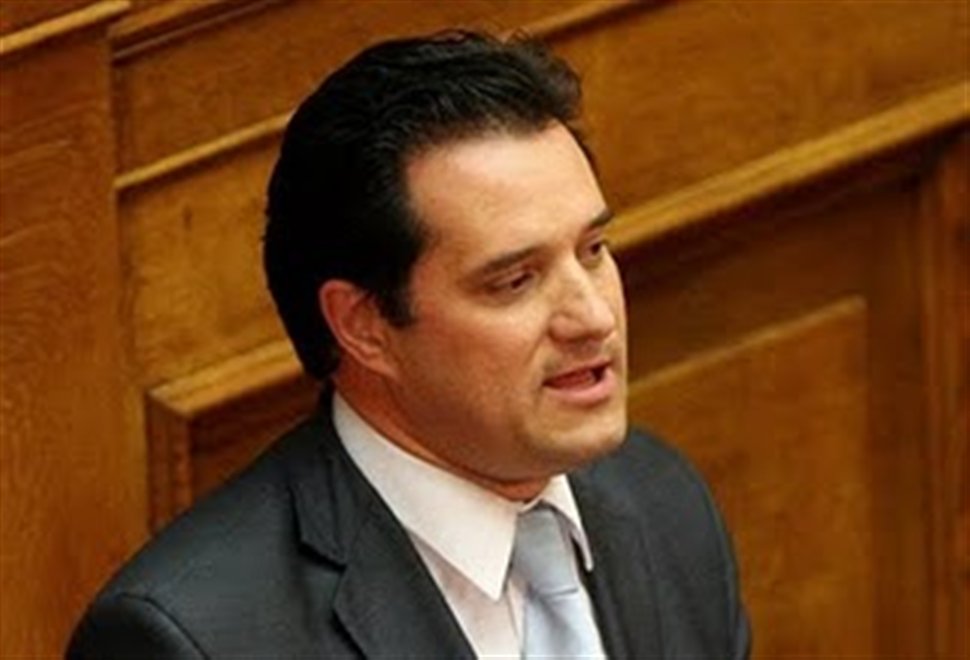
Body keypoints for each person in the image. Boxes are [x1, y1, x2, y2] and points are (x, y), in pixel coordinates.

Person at [68, 30, 750, 658]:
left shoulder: (660, 499)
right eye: (514, 281)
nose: (593, 317)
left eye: (593, 250)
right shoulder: (195, 639)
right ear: (364, 325)